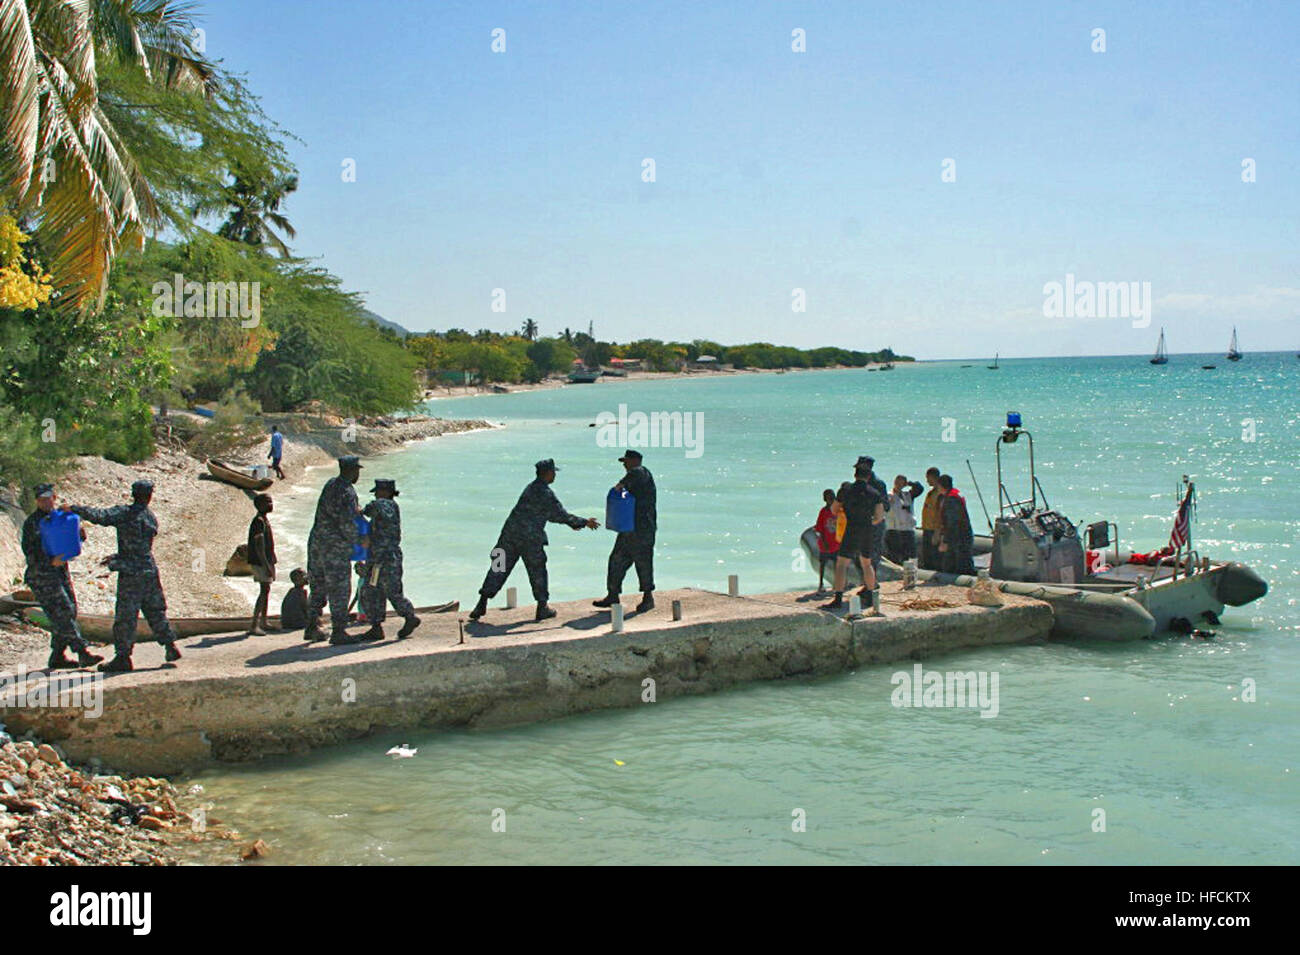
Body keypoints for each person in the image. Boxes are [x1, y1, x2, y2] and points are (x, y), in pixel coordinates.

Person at [71, 480, 181, 672]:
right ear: (149, 496)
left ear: (133, 494)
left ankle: (123, 657)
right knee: (155, 610)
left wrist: (75, 508)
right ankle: (170, 645)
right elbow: (139, 545)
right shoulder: (150, 517)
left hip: (131, 573)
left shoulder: (124, 513)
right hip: (149, 569)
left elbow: (99, 516)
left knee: (126, 616)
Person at [469, 459, 599, 623]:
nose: (555, 476)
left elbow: (551, 515)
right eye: (554, 473)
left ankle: (481, 603)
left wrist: (571, 523)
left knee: (498, 567)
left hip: (508, 535)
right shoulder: (545, 492)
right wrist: (583, 522)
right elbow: (559, 514)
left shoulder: (530, 488)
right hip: (530, 539)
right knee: (537, 571)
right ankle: (542, 607)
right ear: (548, 473)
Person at [22, 484, 102, 670]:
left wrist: (78, 529)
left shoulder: (60, 517)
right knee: (63, 611)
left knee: (70, 611)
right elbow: (29, 551)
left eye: (48, 498)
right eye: (41, 499)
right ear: (36, 501)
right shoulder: (32, 522)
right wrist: (50, 560)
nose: (45, 502)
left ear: (54, 497)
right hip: (41, 575)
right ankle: (82, 652)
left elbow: (76, 537)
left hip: (59, 572)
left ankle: (57, 656)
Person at [303, 455, 364, 645]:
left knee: (318, 586)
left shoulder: (330, 484)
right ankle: (339, 631)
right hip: (334, 547)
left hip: (316, 543)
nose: (358, 475)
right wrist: (362, 542)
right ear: (352, 470)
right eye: (357, 471)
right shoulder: (347, 491)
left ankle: (312, 626)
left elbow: (333, 512)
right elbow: (346, 523)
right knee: (339, 589)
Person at [593, 450, 657, 613]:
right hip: (629, 528)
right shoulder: (638, 476)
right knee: (616, 560)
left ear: (636, 460)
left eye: (626, 461)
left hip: (642, 529)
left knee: (643, 563)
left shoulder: (640, 472)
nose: (624, 464)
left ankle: (648, 598)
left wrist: (618, 487)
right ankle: (613, 596)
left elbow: (621, 485)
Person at [358, 478, 421, 641]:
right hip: (386, 558)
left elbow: (369, 509)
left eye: (378, 492)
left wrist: (359, 510)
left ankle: (397, 620)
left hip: (382, 560)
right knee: (381, 590)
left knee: (378, 590)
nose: (377, 496)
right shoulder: (392, 507)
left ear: (385, 492)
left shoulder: (384, 504)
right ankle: (385, 624)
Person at [821, 463, 884, 611]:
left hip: (851, 529)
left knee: (842, 564)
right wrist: (869, 521)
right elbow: (879, 517)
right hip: (867, 529)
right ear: (868, 477)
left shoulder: (846, 490)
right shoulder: (874, 493)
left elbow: (834, 509)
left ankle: (837, 598)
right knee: (867, 564)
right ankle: (870, 596)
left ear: (855, 475)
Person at [246, 493, 276, 635]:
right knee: (264, 590)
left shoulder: (264, 520)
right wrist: (266, 565)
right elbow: (259, 544)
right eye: (267, 502)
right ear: (259, 505)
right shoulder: (259, 521)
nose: (271, 504)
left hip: (266, 560)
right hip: (260, 562)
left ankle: (264, 621)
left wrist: (273, 559)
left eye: (271, 502)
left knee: (266, 589)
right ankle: (254, 624)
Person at [856, 456, 890, 576]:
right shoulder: (859, 485)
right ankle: (867, 580)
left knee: (873, 553)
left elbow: (886, 506)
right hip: (863, 522)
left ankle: (871, 581)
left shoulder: (878, 484)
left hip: (874, 522)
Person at [937, 474, 976, 575]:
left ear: (941, 486)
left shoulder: (951, 500)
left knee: (958, 564)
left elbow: (952, 522)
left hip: (959, 538)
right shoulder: (955, 495)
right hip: (962, 535)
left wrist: (945, 540)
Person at [885, 475, 923, 565]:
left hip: (908, 530)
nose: (899, 485)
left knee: (911, 556)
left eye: (901, 483)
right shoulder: (888, 495)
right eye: (897, 482)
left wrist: (910, 483)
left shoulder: (908, 495)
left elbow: (920, 488)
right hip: (894, 530)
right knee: (896, 556)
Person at [814, 488, 840, 593]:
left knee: (836, 564)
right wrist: (824, 542)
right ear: (825, 499)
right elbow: (819, 528)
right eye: (829, 498)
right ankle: (821, 584)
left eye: (832, 498)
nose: (831, 500)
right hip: (825, 543)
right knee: (823, 564)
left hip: (836, 543)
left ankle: (836, 583)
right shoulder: (823, 512)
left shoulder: (838, 511)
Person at [919, 467, 943, 571]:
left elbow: (941, 515)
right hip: (927, 528)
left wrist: (937, 532)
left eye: (928, 478)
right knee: (927, 556)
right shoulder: (931, 492)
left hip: (934, 530)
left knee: (935, 556)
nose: (927, 481)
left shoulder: (939, 494)